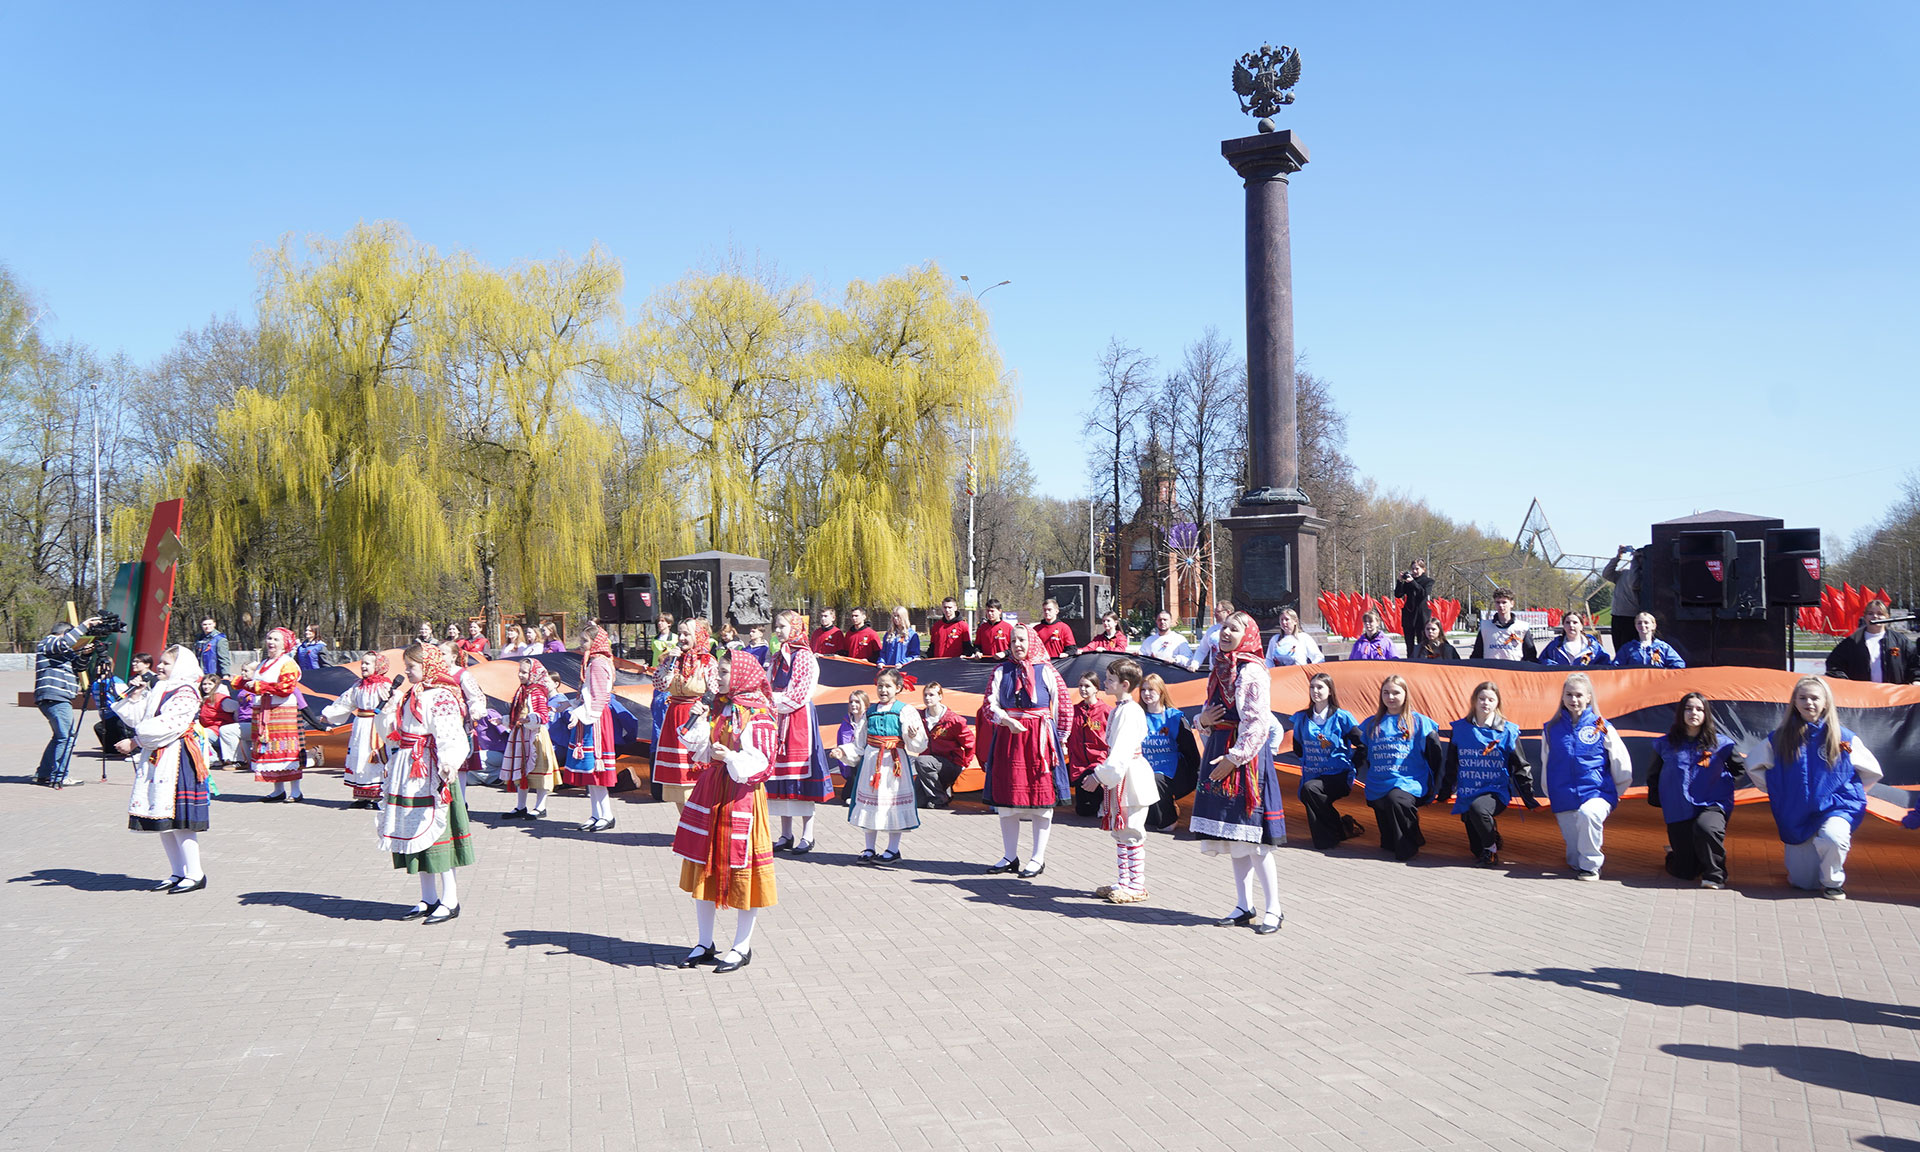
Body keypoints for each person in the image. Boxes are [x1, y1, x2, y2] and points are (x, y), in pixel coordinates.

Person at [672, 651, 778, 973]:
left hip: (741, 794)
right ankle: (704, 942)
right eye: (717, 672)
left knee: (743, 869)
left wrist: (730, 757)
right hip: (713, 790)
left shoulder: (758, 714)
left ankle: (742, 946)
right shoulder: (720, 707)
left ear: (741, 676)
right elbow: (701, 750)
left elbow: (763, 763)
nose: (716, 677)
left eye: (723, 672)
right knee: (703, 866)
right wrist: (697, 720)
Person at [1746, 676, 1882, 900]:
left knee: (1833, 838)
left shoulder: (1843, 738)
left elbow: (1872, 771)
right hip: (1797, 812)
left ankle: (1833, 883)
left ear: (1826, 702)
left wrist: (1852, 793)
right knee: (1804, 883)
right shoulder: (1780, 739)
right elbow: (1753, 765)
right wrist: (1779, 790)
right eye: (1803, 698)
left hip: (1836, 807)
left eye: (1814, 698)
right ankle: (1810, 871)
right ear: (1795, 702)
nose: (1808, 703)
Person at [1191, 612, 1285, 934]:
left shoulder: (1252, 670)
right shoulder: (1219, 667)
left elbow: (1259, 723)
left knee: (1254, 839)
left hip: (1246, 759)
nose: (1226, 632)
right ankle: (1244, 905)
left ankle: (1274, 909)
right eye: (1224, 627)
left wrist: (1235, 758)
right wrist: (1203, 721)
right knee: (1234, 836)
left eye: (1234, 628)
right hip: (1220, 748)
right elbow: (1207, 714)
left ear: (1248, 635)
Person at [376, 641, 474, 925]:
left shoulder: (441, 695)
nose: (406, 671)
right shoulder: (411, 694)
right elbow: (391, 733)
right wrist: (388, 708)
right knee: (414, 832)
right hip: (408, 769)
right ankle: (428, 897)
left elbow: (450, 733)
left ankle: (450, 899)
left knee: (437, 834)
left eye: (411, 666)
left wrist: (449, 762)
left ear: (427, 665)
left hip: (432, 770)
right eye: (406, 666)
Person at [118, 644, 213, 893]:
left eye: (166, 663)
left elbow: (169, 725)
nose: (159, 666)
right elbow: (140, 719)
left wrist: (136, 741)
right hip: (159, 756)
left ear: (180, 667)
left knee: (180, 822)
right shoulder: (161, 687)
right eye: (160, 662)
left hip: (177, 757)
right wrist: (136, 696)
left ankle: (195, 873)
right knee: (162, 817)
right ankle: (177, 872)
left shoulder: (186, 691)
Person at [981, 623, 1072, 878]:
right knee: (1007, 802)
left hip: (1039, 740)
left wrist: (1060, 739)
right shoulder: (1001, 670)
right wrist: (1005, 720)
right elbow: (988, 705)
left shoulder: (1046, 670)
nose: (1017, 645)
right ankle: (1009, 856)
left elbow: (1063, 706)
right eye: (1013, 641)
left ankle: (1037, 858)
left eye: (1021, 640)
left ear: (1031, 641)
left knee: (1041, 801)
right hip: (1009, 738)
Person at [1645, 692, 1745, 889]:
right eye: (1689, 709)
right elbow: (1653, 774)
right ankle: (1675, 855)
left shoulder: (1722, 744)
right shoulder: (1665, 744)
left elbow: (1739, 769)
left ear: (1706, 714)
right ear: (1681, 713)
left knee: (1706, 828)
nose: (1694, 713)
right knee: (1685, 872)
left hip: (1712, 803)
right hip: (1678, 806)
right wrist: (1660, 798)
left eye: (1699, 709)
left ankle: (1715, 875)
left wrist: (1722, 787)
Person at [1541, 672, 1632, 880]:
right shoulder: (1551, 729)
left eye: (1579, 695)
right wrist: (1550, 792)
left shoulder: (1602, 726)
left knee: (1588, 815)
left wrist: (1615, 792)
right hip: (1563, 796)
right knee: (1574, 859)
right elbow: (1546, 763)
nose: (1574, 700)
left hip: (1596, 793)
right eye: (1569, 695)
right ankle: (1581, 862)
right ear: (1562, 697)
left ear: (1589, 697)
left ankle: (1591, 867)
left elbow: (1622, 763)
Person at [1437, 681, 1539, 866]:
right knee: (1475, 848)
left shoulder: (1508, 731)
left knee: (1479, 810)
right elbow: (1452, 764)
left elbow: (1521, 766)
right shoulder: (1460, 729)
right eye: (1482, 698)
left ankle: (1491, 853)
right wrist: (1445, 792)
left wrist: (1528, 797)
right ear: (1474, 701)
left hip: (1495, 791)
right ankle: (1492, 836)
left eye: (1491, 699)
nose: (1485, 703)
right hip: (1468, 791)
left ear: (1497, 703)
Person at [834, 668, 931, 862]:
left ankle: (893, 849)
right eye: (880, 686)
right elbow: (859, 743)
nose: (883, 690)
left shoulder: (905, 710)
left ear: (898, 688)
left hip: (894, 764)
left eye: (888, 686)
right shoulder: (870, 712)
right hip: (872, 763)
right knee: (870, 804)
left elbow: (918, 744)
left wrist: (913, 736)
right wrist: (843, 752)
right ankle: (869, 848)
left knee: (892, 805)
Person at [1079, 658, 1156, 903]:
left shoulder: (1130, 711)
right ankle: (1124, 881)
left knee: (1132, 829)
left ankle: (1137, 885)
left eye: (1110, 679)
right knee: (1121, 831)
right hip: (1122, 775)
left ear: (1124, 684)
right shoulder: (1120, 709)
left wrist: (1098, 777)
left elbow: (1121, 753)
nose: (1105, 682)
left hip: (1131, 776)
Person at [764, 609, 832, 853]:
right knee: (781, 776)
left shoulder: (804, 656)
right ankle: (786, 834)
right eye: (776, 626)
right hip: (778, 719)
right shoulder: (777, 657)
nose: (778, 631)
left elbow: (800, 693)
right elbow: (766, 685)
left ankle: (808, 834)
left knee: (800, 775)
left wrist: (771, 701)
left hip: (797, 718)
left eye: (782, 626)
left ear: (794, 627)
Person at [1356, 674, 1443, 861]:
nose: (1390, 697)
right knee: (1388, 844)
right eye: (1386, 692)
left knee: (1396, 800)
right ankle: (1414, 836)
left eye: (1396, 692)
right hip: (1379, 782)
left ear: (1405, 694)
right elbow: (1366, 754)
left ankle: (1409, 848)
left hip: (1409, 781)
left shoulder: (1420, 722)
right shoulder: (1371, 724)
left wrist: (1434, 784)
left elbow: (1435, 756)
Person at [1287, 672, 1364, 850]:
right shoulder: (1301, 718)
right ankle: (1340, 828)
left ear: (1330, 691)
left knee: (1310, 790)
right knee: (1309, 793)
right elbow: (1298, 746)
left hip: (1338, 774)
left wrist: (1353, 766)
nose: (1315, 691)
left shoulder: (1342, 717)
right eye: (1312, 687)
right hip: (1312, 773)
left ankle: (1327, 840)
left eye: (1320, 687)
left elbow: (1362, 744)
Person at [652, 617, 717, 810]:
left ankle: (700, 822)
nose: (681, 638)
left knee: (694, 775)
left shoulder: (707, 661)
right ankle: (685, 822)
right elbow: (660, 685)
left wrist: (705, 708)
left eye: (686, 634)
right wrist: (669, 663)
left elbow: (715, 691)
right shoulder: (673, 660)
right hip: (674, 717)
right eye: (680, 633)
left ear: (697, 635)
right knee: (678, 781)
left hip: (695, 718)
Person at [236, 628, 306, 801]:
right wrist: (241, 683)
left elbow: (286, 688)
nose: (271, 642)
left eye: (275, 639)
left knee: (287, 749)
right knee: (269, 749)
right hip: (263, 710)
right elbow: (257, 685)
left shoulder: (288, 663)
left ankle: (296, 791)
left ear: (284, 644)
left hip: (282, 710)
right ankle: (278, 789)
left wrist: (260, 687)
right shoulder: (263, 663)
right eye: (269, 638)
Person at [563, 623, 620, 832]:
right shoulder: (594, 661)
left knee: (596, 769)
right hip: (590, 716)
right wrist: (571, 705)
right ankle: (596, 814)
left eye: (585, 640)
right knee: (589, 770)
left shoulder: (597, 664)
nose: (581, 644)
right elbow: (588, 693)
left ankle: (607, 815)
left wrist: (578, 714)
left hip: (594, 719)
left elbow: (598, 697)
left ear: (596, 642)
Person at [322, 652, 394, 808]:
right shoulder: (358, 685)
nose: (363, 666)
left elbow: (393, 705)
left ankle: (379, 796)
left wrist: (389, 709)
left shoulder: (385, 686)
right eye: (362, 663)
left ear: (378, 666)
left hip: (376, 726)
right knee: (359, 756)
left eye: (368, 663)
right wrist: (329, 714)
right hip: (361, 726)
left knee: (374, 757)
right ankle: (363, 796)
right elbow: (346, 702)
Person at [35, 620, 101, 789]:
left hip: (59, 697)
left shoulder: (63, 651)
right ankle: (59, 776)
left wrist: (85, 654)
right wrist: (84, 626)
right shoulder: (49, 642)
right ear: (65, 633)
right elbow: (64, 643)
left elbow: (78, 667)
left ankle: (44, 773)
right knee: (67, 737)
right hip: (55, 696)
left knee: (60, 736)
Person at [499, 658, 559, 820]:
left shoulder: (537, 691)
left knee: (539, 770)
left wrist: (530, 719)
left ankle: (540, 806)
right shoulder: (521, 691)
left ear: (533, 673)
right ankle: (521, 806)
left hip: (535, 736)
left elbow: (543, 716)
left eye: (524, 672)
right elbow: (517, 713)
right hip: (521, 734)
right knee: (521, 770)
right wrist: (504, 720)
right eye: (520, 671)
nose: (520, 675)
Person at [1139, 673, 1198, 831]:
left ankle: (1169, 819)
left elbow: (1190, 751)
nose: (1146, 693)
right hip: (1144, 768)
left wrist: (1195, 774)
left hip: (1172, 771)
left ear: (1161, 691)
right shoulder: (1137, 716)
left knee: (1156, 778)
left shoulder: (1175, 717)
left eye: (1151, 689)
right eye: (1143, 690)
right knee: (1150, 821)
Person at [910, 681, 972, 809]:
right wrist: (911, 735)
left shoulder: (953, 720)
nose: (927, 698)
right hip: (929, 765)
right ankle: (943, 791)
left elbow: (969, 743)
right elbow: (912, 741)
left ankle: (940, 797)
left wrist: (964, 764)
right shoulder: (918, 717)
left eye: (931, 695)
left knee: (921, 761)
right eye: (925, 695)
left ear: (940, 697)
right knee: (917, 802)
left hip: (950, 764)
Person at [1826, 598, 1913, 683]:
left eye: (1880, 614)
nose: (1875, 616)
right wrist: (1845, 682)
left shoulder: (1900, 641)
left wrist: (1916, 679)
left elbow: (1915, 663)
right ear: (1865, 617)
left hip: (1892, 691)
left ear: (1887, 617)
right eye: (1870, 613)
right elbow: (1834, 664)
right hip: (1862, 691)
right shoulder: (1852, 642)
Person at [1065, 671, 1112, 819]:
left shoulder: (1107, 711)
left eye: (1087, 686)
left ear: (1096, 688)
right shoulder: (1074, 711)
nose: (1083, 689)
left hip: (1098, 763)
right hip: (1078, 764)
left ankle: (1106, 798)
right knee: (1083, 812)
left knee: (1089, 779)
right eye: (1080, 686)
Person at [91, 651, 150, 758]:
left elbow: (126, 697)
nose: (99, 668)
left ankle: (136, 750)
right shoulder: (96, 683)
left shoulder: (115, 682)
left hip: (118, 715)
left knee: (120, 726)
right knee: (100, 728)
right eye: (98, 665)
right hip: (107, 716)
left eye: (102, 665)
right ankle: (114, 749)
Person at [1471, 589, 1537, 662]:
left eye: (1504, 602)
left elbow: (1531, 656)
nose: (1501, 605)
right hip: (1491, 668)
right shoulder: (1485, 627)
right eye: (1498, 602)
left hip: (1514, 668)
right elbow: (1476, 655)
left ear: (1512, 604)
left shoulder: (1522, 627)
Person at [1600, 545, 1644, 653]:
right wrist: (1617, 557)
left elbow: (1634, 583)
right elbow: (1606, 574)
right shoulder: (1624, 574)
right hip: (1616, 616)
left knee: (1627, 650)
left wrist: (1634, 562)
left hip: (1631, 617)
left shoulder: (1644, 576)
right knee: (1618, 649)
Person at [1613, 612, 1687, 669]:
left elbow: (1679, 665)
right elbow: (1615, 667)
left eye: (1646, 622)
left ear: (1653, 626)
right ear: (1635, 626)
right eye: (1639, 623)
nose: (1642, 625)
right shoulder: (1627, 648)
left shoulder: (1663, 647)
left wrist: (1665, 675)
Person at [1539, 611, 1612, 668]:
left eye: (1575, 622)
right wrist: (1557, 668)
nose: (1571, 625)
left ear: (1581, 626)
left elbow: (1605, 663)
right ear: (1563, 626)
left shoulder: (1594, 647)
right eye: (1567, 623)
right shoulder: (1554, 646)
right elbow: (1542, 661)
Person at [198, 674, 240, 766]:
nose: (206, 687)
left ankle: (213, 759)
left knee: (200, 734)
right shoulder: (204, 699)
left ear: (216, 685)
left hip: (220, 732)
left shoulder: (220, 698)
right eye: (204, 684)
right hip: (211, 730)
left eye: (210, 684)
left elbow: (237, 707)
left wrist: (236, 723)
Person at [1394, 560, 1435, 651]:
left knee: (1422, 644)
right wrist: (1400, 581)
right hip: (1409, 614)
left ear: (1423, 569)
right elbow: (1398, 594)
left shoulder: (1428, 581)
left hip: (1421, 615)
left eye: (1417, 569)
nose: (1415, 571)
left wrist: (1412, 582)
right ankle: (1410, 658)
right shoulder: (1408, 581)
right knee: (1409, 646)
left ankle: (1422, 658)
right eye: (1413, 569)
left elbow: (1423, 594)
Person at [1191, 600, 1236, 669]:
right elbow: (1202, 650)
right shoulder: (1211, 630)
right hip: (1213, 672)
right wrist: (1194, 665)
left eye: (1218, 611)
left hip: (1232, 671)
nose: (1215, 614)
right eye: (1214, 612)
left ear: (1228, 612)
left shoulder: (1237, 631)